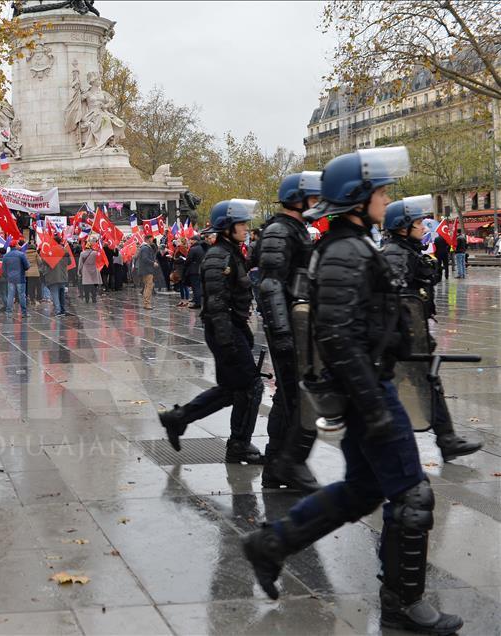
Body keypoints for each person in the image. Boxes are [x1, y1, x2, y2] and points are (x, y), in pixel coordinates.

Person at [242, 147, 463, 635]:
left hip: (369, 385)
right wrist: (373, 406)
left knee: (363, 489)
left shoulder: (353, 244)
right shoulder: (345, 251)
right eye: (381, 191)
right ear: (358, 199)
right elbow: (338, 337)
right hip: (367, 390)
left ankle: (272, 544)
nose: (388, 198)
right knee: (412, 495)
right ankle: (403, 605)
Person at [158, 200, 264, 464]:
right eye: (240, 224)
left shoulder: (230, 252)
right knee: (251, 387)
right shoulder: (219, 257)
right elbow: (216, 303)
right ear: (227, 227)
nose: (245, 228)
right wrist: (228, 343)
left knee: (231, 390)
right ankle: (239, 444)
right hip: (225, 329)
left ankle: (178, 418)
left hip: (230, 328)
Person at [382, 196, 482, 462]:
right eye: (416, 222)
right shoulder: (396, 254)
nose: (422, 226)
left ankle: (446, 439)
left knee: (428, 382)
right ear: (403, 227)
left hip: (410, 336)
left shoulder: (408, 249)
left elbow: (427, 278)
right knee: (398, 387)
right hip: (402, 339)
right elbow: (397, 298)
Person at [257, 172, 322, 493]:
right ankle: (281, 465)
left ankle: (277, 466)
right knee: (293, 399)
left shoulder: (293, 229)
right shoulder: (280, 231)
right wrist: (283, 332)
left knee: (290, 398)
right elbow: (270, 284)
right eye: (312, 198)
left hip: (296, 326)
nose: (316, 204)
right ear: (298, 199)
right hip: (287, 329)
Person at [39, 234, 69, 316]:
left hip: (52, 275)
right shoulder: (65, 251)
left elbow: (44, 262)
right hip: (63, 275)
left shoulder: (49, 251)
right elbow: (69, 262)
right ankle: (62, 310)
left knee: (55, 293)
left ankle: (58, 310)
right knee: (62, 293)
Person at [2, 241, 29, 315]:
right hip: (20, 278)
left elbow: (3, 270)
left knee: (10, 295)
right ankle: (24, 313)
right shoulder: (21, 255)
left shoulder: (5, 256)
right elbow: (27, 266)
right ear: (16, 245)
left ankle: (8, 312)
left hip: (10, 278)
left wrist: (7, 276)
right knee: (22, 295)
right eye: (18, 244)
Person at [77, 236, 104, 303]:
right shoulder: (95, 253)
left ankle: (87, 299)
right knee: (94, 284)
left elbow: (80, 263)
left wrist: (79, 271)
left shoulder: (82, 253)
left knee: (86, 285)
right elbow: (99, 260)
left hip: (86, 270)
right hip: (94, 269)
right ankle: (94, 298)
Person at [135, 235, 158, 309]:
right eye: (151, 239)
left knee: (147, 286)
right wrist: (153, 263)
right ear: (148, 239)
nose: (152, 240)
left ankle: (146, 303)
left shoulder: (144, 247)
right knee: (149, 287)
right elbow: (145, 258)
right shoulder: (145, 248)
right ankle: (147, 304)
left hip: (145, 270)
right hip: (147, 270)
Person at [183, 235, 205, 309]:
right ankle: (197, 301)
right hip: (200, 269)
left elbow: (188, 260)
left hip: (193, 270)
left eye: (191, 240)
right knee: (198, 286)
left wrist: (185, 262)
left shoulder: (193, 249)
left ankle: (197, 303)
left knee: (195, 287)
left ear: (194, 240)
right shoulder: (202, 248)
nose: (190, 241)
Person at [25, 241, 41, 306]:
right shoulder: (36, 254)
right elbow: (40, 262)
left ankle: (30, 298)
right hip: (35, 273)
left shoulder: (24, 254)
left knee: (29, 286)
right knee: (35, 286)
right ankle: (35, 298)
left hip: (27, 273)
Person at [0, 246, 9, 311]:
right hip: (8, 277)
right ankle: (7, 305)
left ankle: (6, 306)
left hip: (1, 278)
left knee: (3, 293)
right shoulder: (8, 259)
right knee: (6, 292)